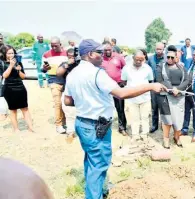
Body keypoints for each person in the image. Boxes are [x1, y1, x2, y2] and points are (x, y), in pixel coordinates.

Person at [64, 39, 166, 199]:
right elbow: (122, 93)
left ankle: (98, 189)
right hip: (96, 126)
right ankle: (93, 195)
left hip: (82, 123)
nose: (103, 56)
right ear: (90, 54)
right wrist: (150, 86)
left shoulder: (73, 73)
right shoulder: (97, 73)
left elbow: (67, 101)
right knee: (99, 163)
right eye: (100, 53)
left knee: (91, 159)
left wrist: (86, 98)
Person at [156, 45, 189, 149]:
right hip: (165, 96)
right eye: (168, 57)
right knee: (167, 119)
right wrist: (171, 90)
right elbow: (160, 80)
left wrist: (178, 89)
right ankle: (166, 139)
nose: (170, 59)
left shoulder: (182, 67)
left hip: (179, 96)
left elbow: (187, 80)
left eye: (172, 57)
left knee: (178, 118)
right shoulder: (161, 66)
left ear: (176, 58)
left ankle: (176, 137)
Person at [0, 45, 34, 132]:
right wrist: (11, 66)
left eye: (12, 53)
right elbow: (4, 76)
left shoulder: (18, 62)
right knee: (13, 110)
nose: (11, 55)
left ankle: (31, 127)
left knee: (25, 108)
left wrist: (19, 70)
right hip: (9, 88)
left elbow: (23, 77)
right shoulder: (1, 62)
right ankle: (16, 129)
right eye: (9, 53)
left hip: (20, 87)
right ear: (4, 54)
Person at [122, 51, 153, 141]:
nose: (139, 62)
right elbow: (123, 81)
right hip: (132, 98)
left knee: (145, 117)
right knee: (134, 118)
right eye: (137, 60)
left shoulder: (148, 68)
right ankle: (135, 135)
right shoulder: (126, 68)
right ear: (133, 58)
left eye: (141, 60)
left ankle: (144, 134)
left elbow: (150, 81)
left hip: (145, 98)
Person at [42, 37, 68, 134]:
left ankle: (65, 122)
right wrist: (45, 68)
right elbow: (43, 70)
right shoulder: (46, 55)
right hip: (53, 81)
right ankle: (59, 125)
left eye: (55, 46)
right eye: (51, 46)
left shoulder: (66, 54)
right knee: (58, 103)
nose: (53, 48)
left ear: (60, 44)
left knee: (66, 103)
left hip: (66, 81)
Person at [101, 43, 127, 136]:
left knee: (120, 108)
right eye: (105, 50)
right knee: (105, 107)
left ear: (112, 49)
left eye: (109, 50)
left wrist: (124, 80)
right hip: (104, 87)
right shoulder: (100, 59)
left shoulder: (119, 57)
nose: (107, 52)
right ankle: (104, 127)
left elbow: (126, 68)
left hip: (118, 86)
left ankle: (122, 127)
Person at [56, 48, 79, 143]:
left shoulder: (81, 63)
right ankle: (70, 132)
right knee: (69, 112)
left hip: (81, 92)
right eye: (69, 57)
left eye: (73, 56)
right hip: (68, 91)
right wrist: (67, 64)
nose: (72, 58)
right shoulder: (65, 64)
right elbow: (58, 73)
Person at [147, 42, 166, 133]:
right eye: (157, 49)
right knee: (154, 107)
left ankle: (164, 124)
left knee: (163, 106)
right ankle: (154, 125)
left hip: (163, 86)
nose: (158, 51)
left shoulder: (167, 59)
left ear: (163, 49)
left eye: (160, 49)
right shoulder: (151, 59)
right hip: (153, 86)